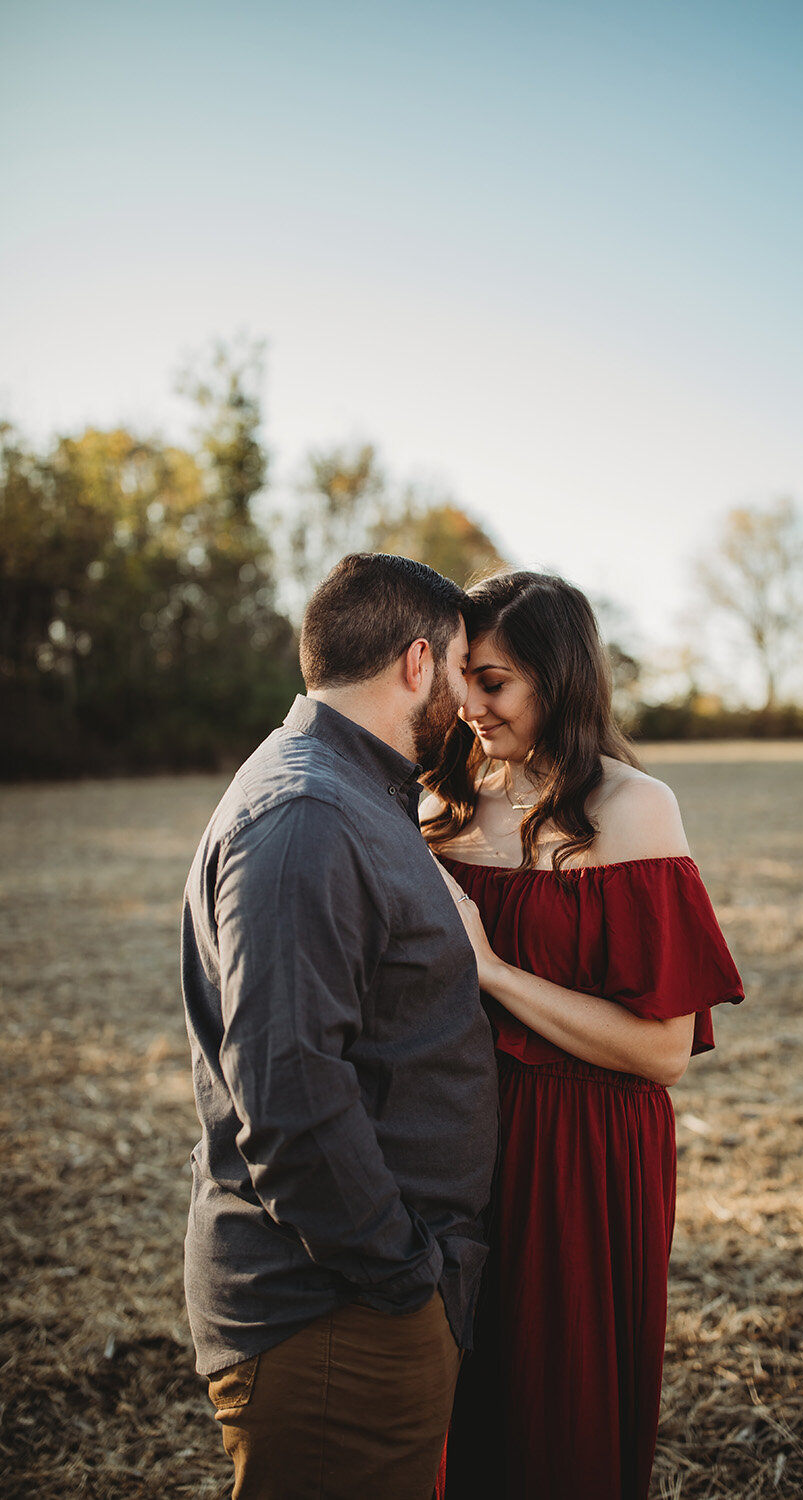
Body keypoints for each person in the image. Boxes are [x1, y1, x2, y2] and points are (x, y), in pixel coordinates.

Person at [180, 553, 499, 1500]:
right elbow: (289, 1096)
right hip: (336, 1319)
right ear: (416, 663)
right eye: (459, 666)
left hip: (356, 1309)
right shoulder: (309, 814)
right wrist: (405, 1282)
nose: (468, 699)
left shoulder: (352, 792)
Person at [421, 570, 744, 1500]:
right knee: (457, 1411)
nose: (471, 704)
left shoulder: (634, 810)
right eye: (461, 678)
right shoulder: (438, 807)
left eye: (495, 681)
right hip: (459, 1144)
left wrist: (492, 970)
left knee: (561, 1414)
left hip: (585, 1152)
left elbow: (662, 1052)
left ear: (557, 681)